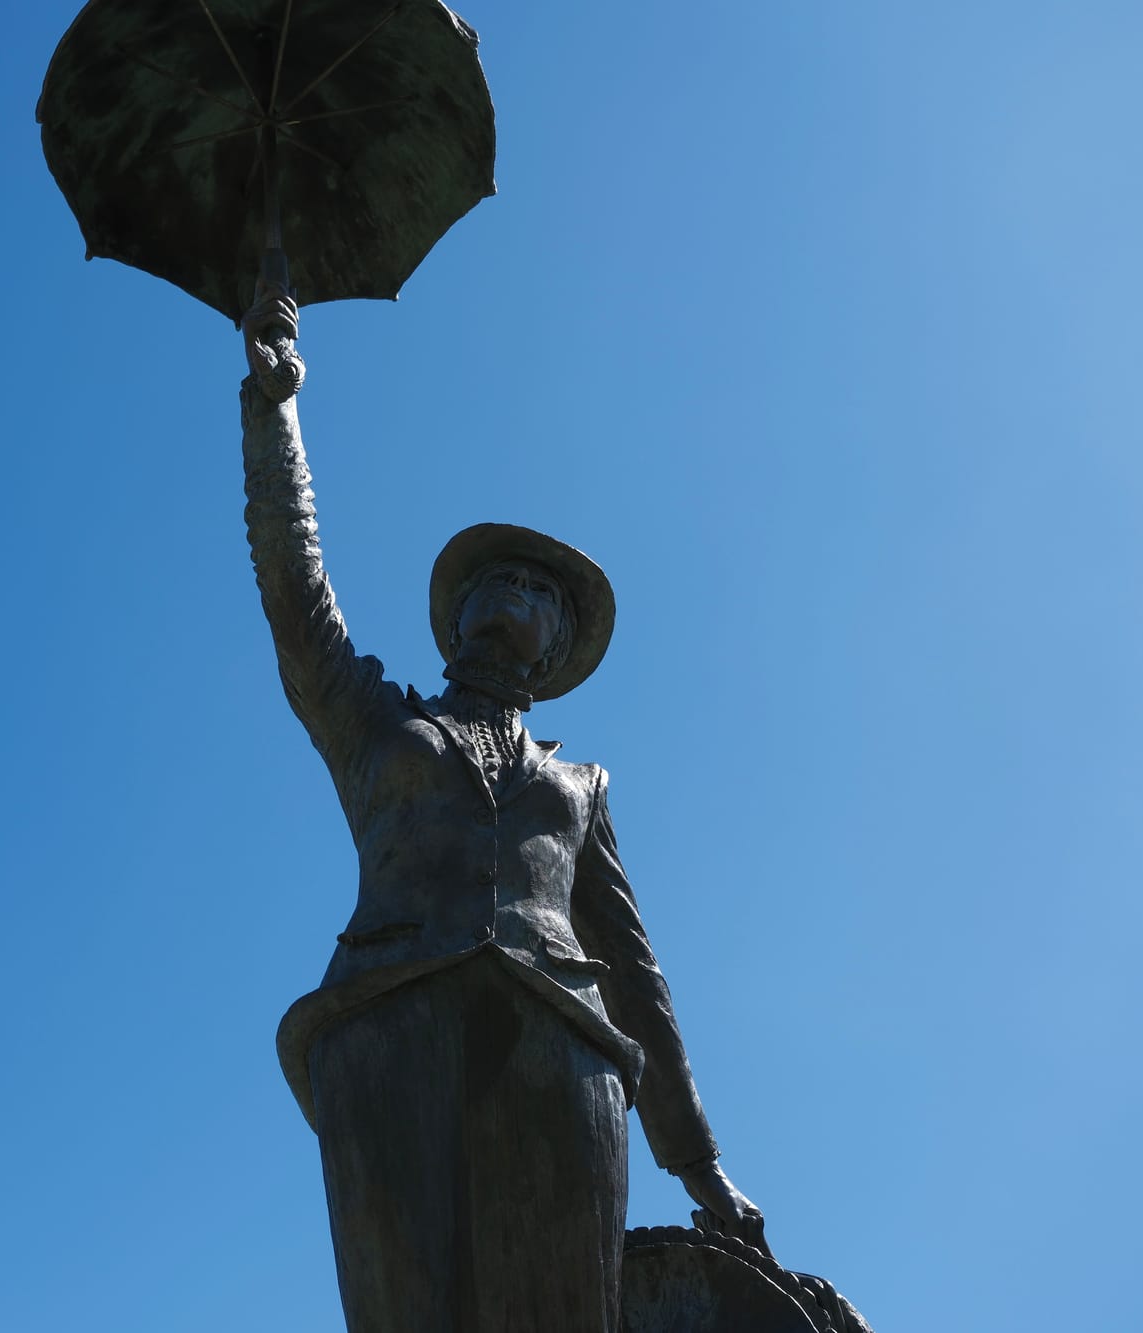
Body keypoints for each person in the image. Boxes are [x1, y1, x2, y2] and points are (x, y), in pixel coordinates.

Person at [240, 287, 765, 1333]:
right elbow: (295, 592)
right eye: (500, 578)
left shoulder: (579, 789)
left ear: (559, 639)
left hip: (556, 1051)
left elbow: (635, 975)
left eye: (540, 589)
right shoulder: (376, 725)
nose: (516, 593)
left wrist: (698, 1164)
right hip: (384, 1027)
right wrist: (273, 408)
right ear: (460, 612)